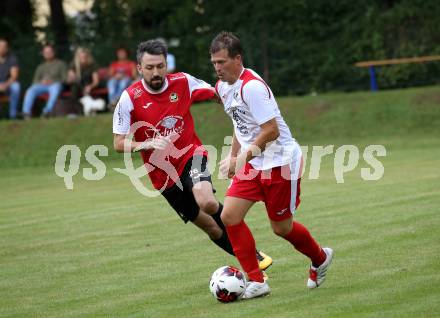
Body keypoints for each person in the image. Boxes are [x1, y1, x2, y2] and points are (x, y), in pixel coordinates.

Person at [112, 39, 272, 271]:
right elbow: (118, 143)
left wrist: (242, 113)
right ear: (139, 68)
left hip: (191, 156)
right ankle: (253, 269)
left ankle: (253, 256)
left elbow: (217, 93)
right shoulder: (129, 98)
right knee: (212, 228)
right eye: (149, 68)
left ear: (166, 64)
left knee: (206, 201)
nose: (156, 72)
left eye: (160, 66)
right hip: (163, 176)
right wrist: (146, 143)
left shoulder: (183, 82)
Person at [210, 31, 333, 299]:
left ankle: (320, 257)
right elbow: (240, 126)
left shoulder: (252, 87)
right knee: (229, 216)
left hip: (280, 163)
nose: (217, 68)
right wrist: (234, 157)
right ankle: (256, 281)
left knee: (282, 228)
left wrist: (242, 159)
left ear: (237, 59)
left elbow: (271, 130)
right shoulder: (222, 88)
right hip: (254, 162)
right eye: (214, 63)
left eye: (222, 62)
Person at [22, 44, 67, 119]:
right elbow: (35, 81)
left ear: (53, 52)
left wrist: (53, 81)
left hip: (55, 85)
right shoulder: (40, 67)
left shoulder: (61, 64)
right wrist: (41, 82)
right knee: (31, 90)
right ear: (43, 54)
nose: (47, 54)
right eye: (46, 52)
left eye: (49, 52)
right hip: (42, 85)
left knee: (55, 88)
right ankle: (26, 113)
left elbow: (65, 79)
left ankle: (47, 111)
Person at [67, 47, 104, 116]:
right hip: (78, 86)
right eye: (81, 57)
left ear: (88, 57)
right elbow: (69, 80)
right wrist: (71, 77)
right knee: (74, 87)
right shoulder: (73, 65)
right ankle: (77, 111)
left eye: (85, 57)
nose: (83, 58)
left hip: (90, 85)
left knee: (84, 84)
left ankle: (87, 110)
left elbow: (96, 81)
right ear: (77, 57)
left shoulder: (92, 65)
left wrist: (90, 86)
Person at [0, 38, 21, 119]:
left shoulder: (12, 59)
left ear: (7, 48)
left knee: (16, 87)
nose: (1, 48)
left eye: (3, 46)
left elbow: (14, 76)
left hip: (8, 83)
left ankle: (13, 115)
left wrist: (5, 85)